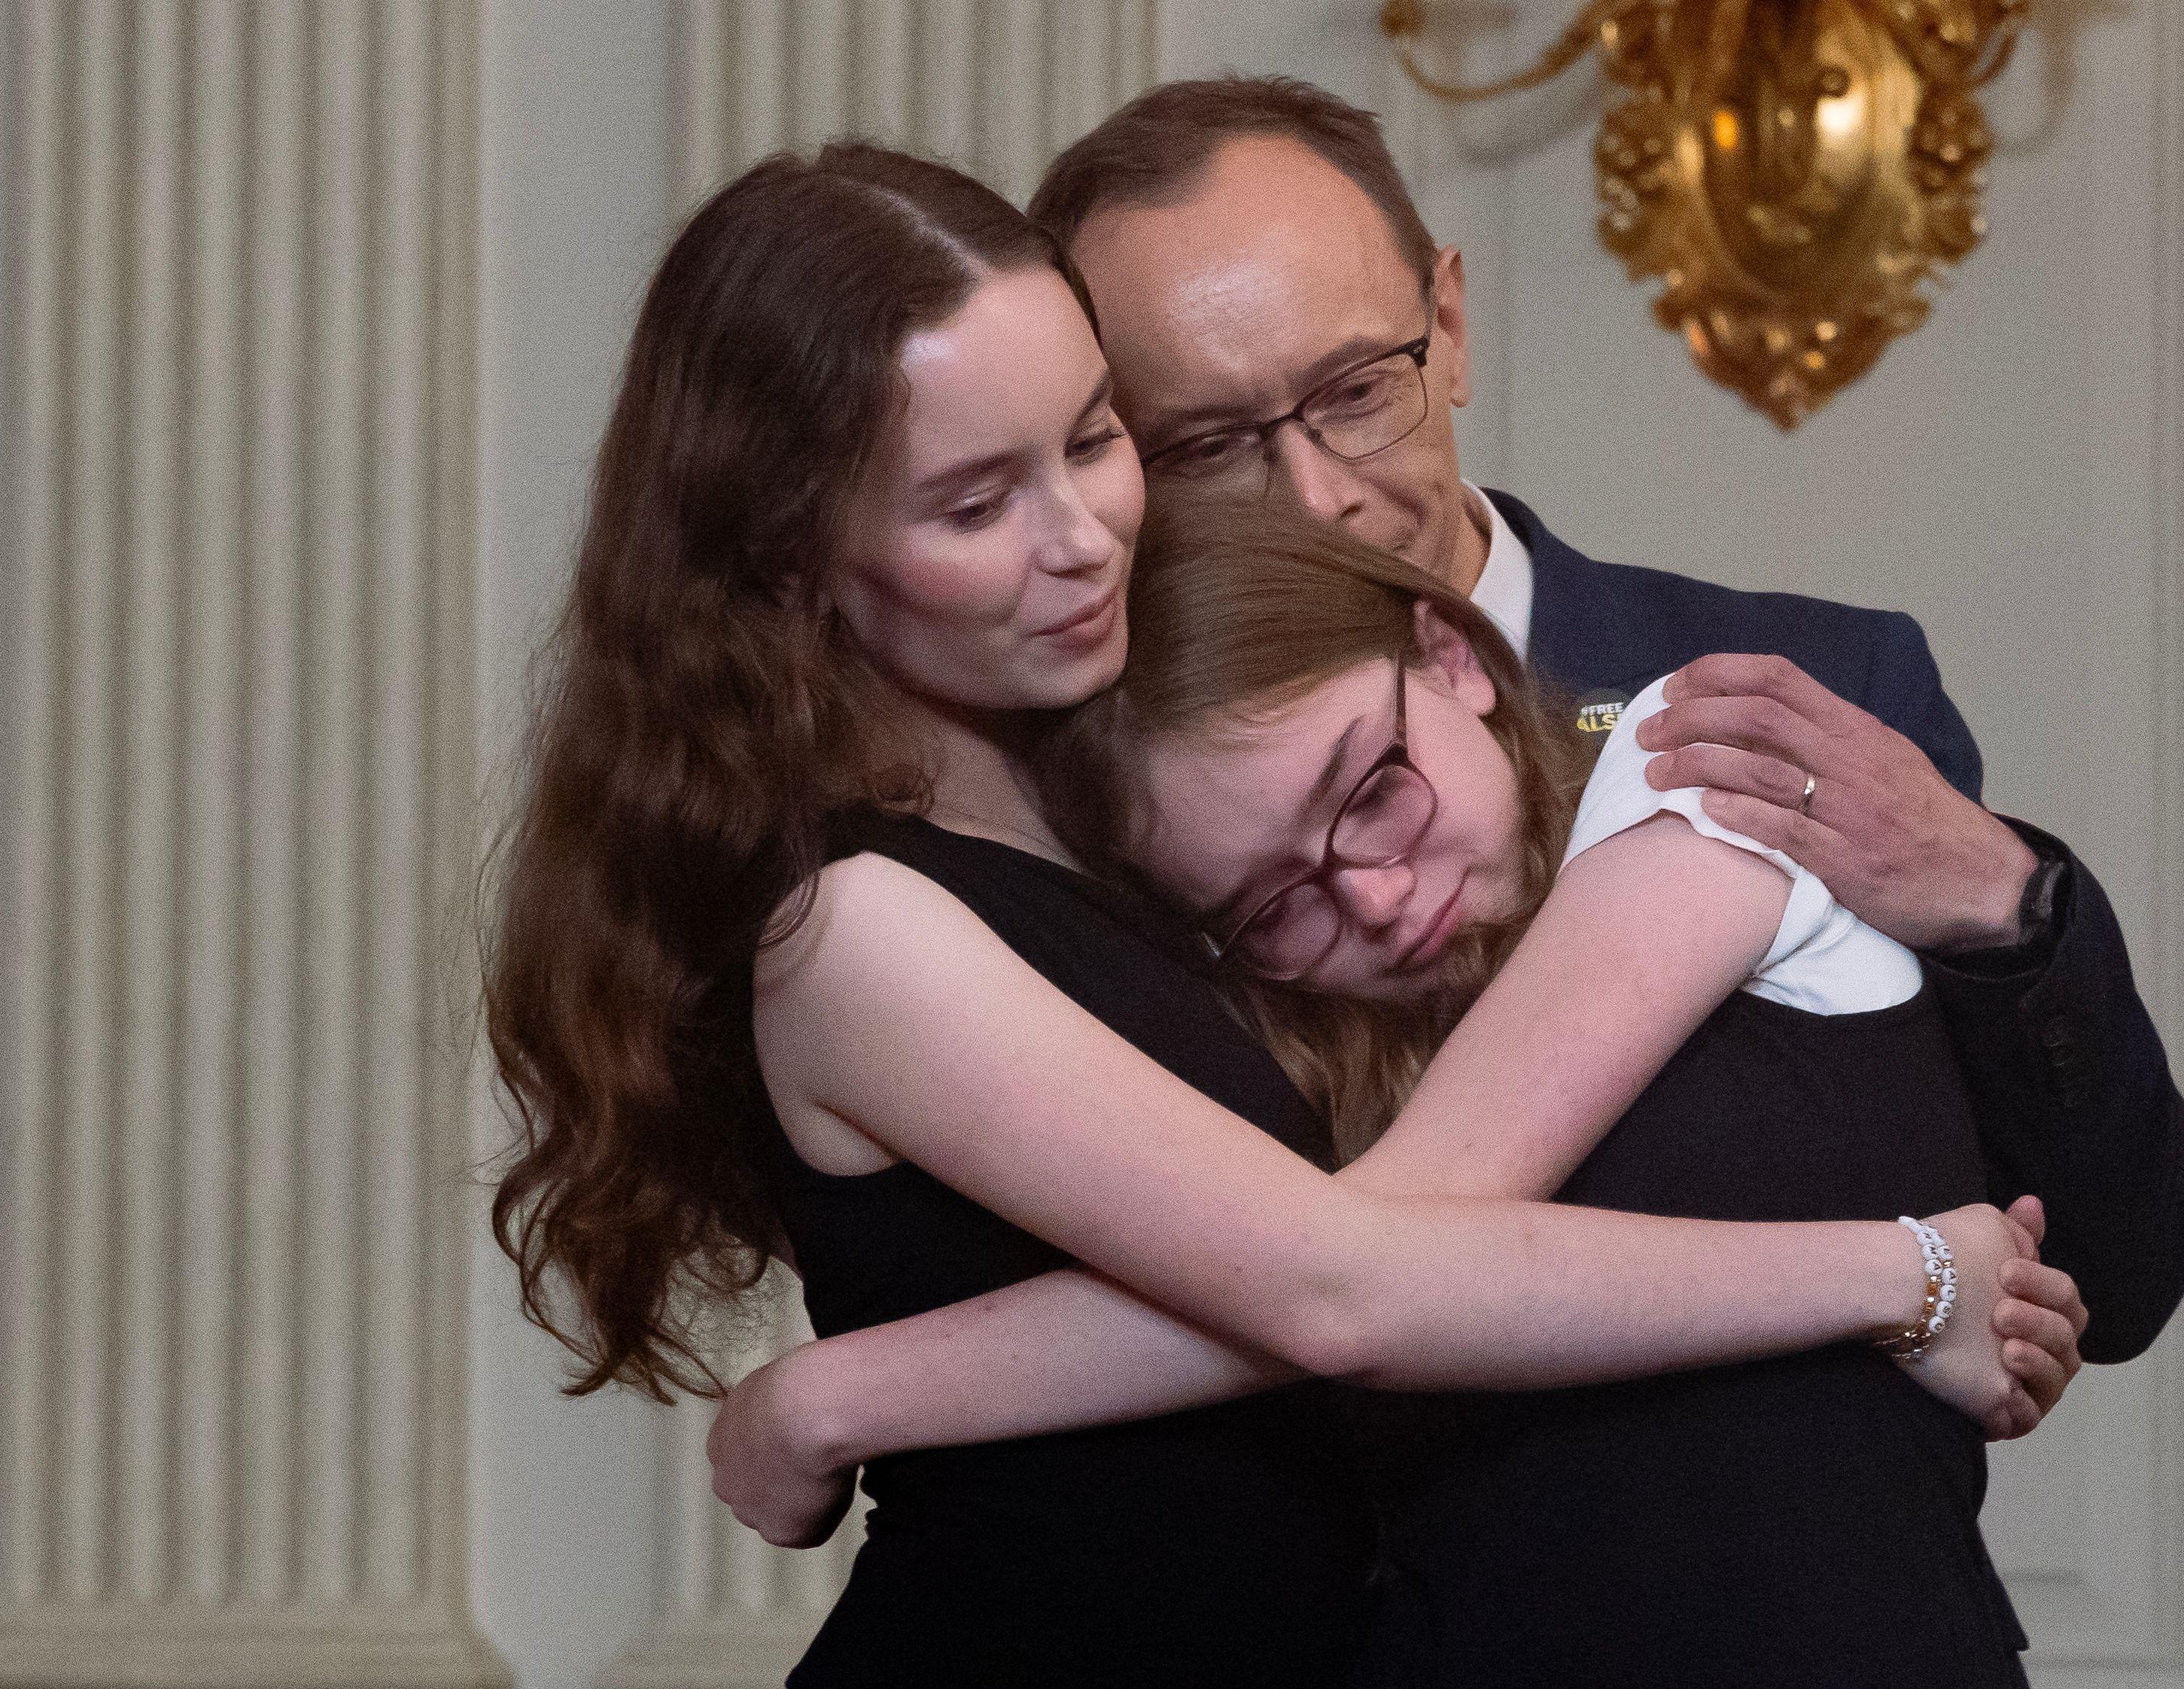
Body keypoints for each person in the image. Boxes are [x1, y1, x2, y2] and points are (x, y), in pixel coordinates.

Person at [485, 143, 2074, 1689]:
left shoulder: (1120, 809)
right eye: (975, 502)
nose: (1081, 533)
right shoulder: (854, 924)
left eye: (1094, 436)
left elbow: (1355, 1246)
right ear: (791, 558)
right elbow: (1342, 1289)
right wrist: (1901, 1277)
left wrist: (843, 1394)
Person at [1018, 75, 2184, 1365]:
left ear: (1451, 327)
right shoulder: (1090, 800)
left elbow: (2109, 1272)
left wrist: (2010, 904)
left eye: (1356, 391)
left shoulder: (1814, 681)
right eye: (1201, 449)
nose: (1312, 500)